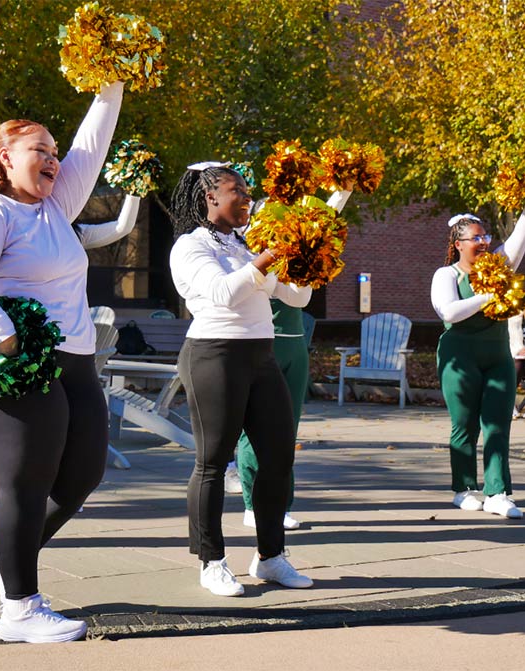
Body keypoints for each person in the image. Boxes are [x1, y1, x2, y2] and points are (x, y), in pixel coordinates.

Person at [0, 81, 124, 643]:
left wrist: (111, 82)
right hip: (17, 361)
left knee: (83, 472)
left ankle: (12, 556)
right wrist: (3, 332)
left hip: (77, 358)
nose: (53, 158)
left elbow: (93, 145)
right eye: (38, 149)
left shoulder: (57, 207)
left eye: (54, 150)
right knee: (25, 481)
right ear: (3, 158)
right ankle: (19, 610)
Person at [169, 163, 313, 597]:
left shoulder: (246, 244)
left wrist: (303, 264)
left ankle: (270, 558)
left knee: (277, 458)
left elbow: (296, 297)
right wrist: (268, 257)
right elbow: (222, 293)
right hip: (213, 355)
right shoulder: (190, 246)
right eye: (237, 190)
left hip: (261, 355)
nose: (247, 198)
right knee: (213, 463)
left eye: (248, 190)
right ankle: (211, 561)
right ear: (210, 196)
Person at [238, 190, 351, 531]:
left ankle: (280, 503)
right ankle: (250, 503)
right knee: (253, 432)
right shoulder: (246, 254)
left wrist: (342, 189)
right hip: (261, 347)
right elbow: (295, 295)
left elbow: (302, 295)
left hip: (294, 348)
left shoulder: (291, 252)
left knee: (288, 431)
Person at [430, 198, 525, 519]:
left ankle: (498, 492)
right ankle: (464, 488)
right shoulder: (446, 274)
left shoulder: (498, 267)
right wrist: (491, 295)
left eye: (485, 237)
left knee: (497, 424)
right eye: (475, 238)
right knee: (464, 424)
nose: (483, 243)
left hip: (497, 357)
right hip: (459, 357)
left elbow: (520, 239)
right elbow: (448, 310)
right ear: (458, 244)